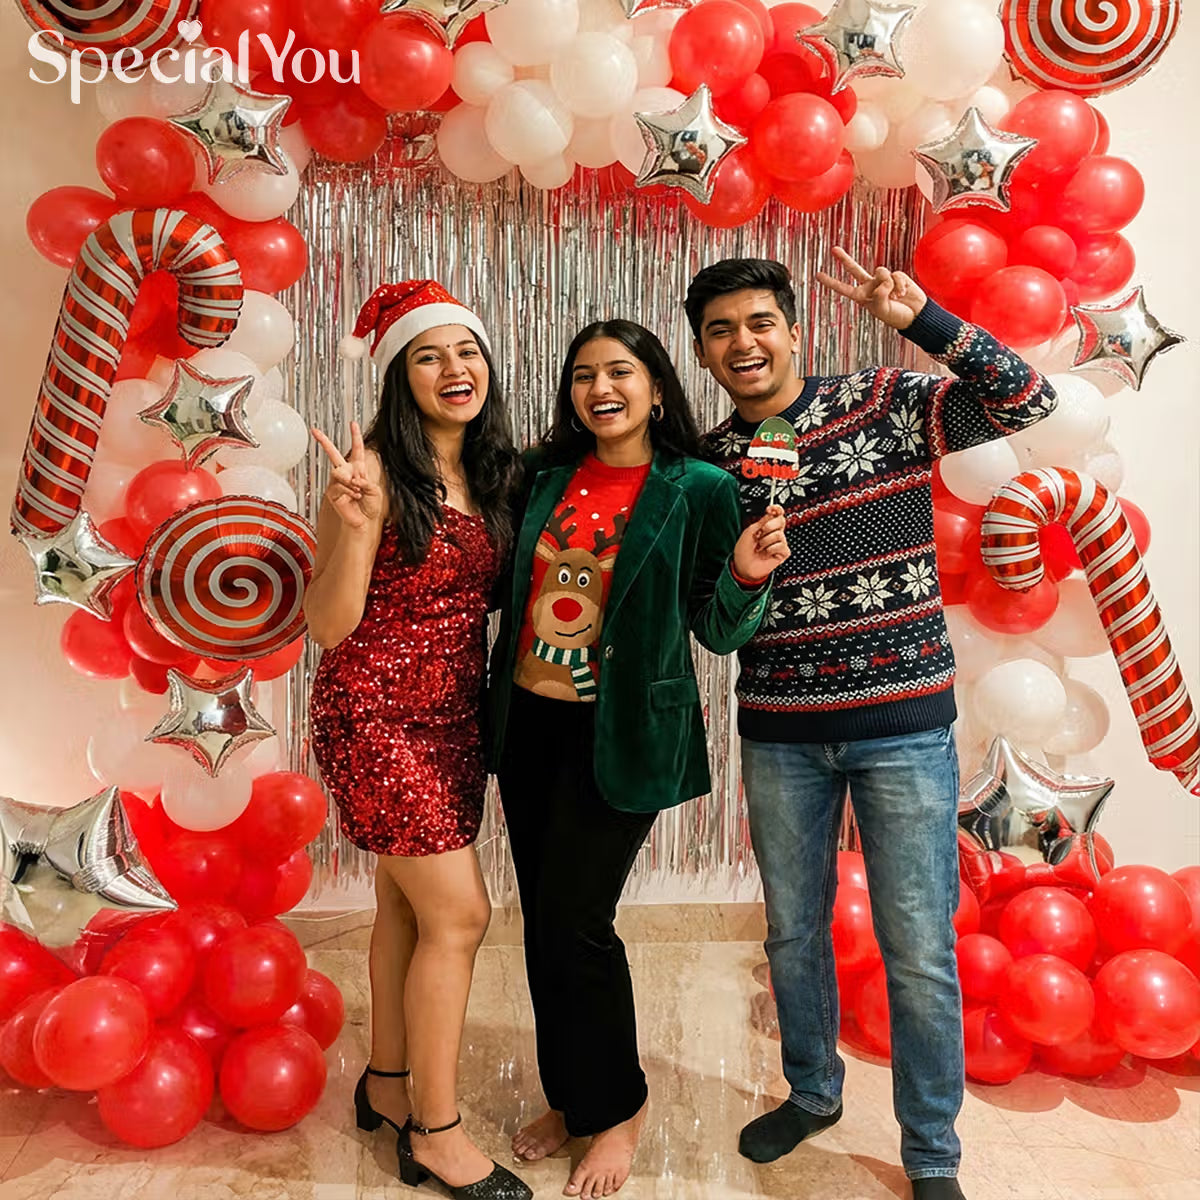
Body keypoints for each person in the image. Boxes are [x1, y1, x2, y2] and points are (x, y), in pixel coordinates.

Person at [687, 252, 1057, 1200]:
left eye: (759, 321)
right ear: (703, 350)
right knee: (793, 935)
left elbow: (1026, 402)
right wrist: (745, 573)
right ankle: (813, 1092)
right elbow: (713, 621)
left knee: (919, 947)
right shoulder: (710, 465)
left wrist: (926, 317)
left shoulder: (882, 402)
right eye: (722, 330)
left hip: (903, 727)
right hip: (780, 732)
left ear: (793, 327)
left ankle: (932, 1152)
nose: (744, 343)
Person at [488, 319, 790, 1199]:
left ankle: (616, 1110)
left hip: (624, 733)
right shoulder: (544, 477)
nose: (600, 389)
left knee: (579, 922)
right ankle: (571, 1097)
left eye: (620, 372)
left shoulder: (697, 487)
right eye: (584, 375)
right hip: (528, 730)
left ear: (657, 388)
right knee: (544, 924)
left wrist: (743, 571)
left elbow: (719, 628)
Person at [305, 280, 531, 1200]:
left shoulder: (499, 474)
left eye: (467, 351)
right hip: (373, 714)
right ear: (401, 375)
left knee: (404, 906)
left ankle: (389, 1085)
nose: (454, 369)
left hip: (453, 720)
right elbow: (327, 624)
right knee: (459, 915)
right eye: (429, 355)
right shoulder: (372, 477)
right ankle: (437, 1133)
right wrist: (355, 532)